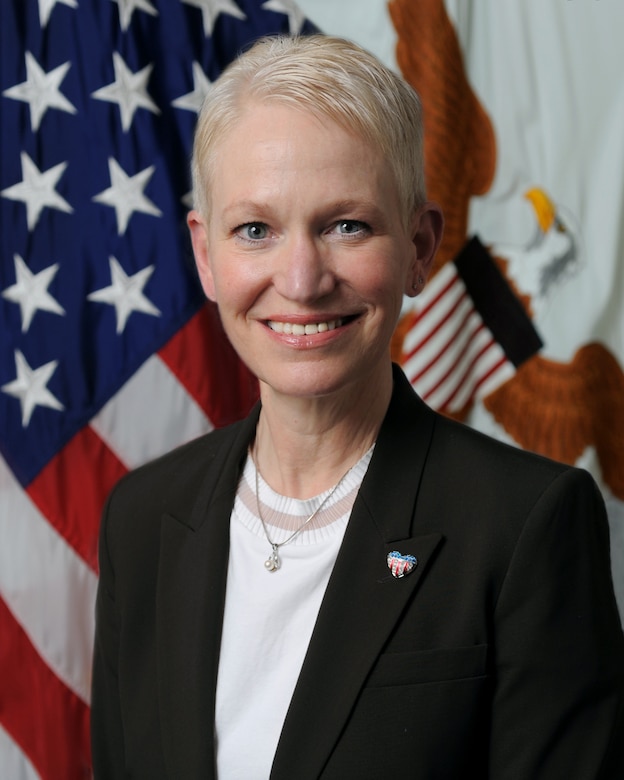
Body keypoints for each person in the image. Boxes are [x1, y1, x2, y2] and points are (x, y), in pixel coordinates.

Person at [91, 34, 624, 779]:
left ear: (418, 246)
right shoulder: (142, 517)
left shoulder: (528, 526)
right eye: (256, 230)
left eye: (347, 225)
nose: (302, 280)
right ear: (206, 256)